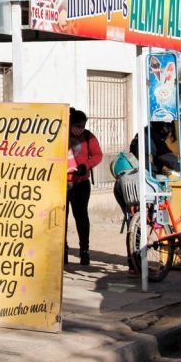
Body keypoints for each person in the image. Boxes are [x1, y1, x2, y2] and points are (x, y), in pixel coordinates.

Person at [114, 121, 181, 274]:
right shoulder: (155, 139)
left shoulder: (140, 136)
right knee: (147, 219)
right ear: (164, 128)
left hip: (125, 184)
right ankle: (158, 240)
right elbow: (175, 164)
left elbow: (148, 161)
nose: (170, 133)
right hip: (143, 184)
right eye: (169, 129)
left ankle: (134, 265)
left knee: (135, 224)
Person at [65, 108, 103, 266]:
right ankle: (63, 251)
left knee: (81, 217)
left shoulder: (88, 136)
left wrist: (85, 165)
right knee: (62, 219)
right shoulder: (62, 135)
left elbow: (98, 155)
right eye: (75, 126)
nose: (78, 129)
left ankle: (84, 250)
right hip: (62, 183)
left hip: (81, 183)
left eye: (81, 126)